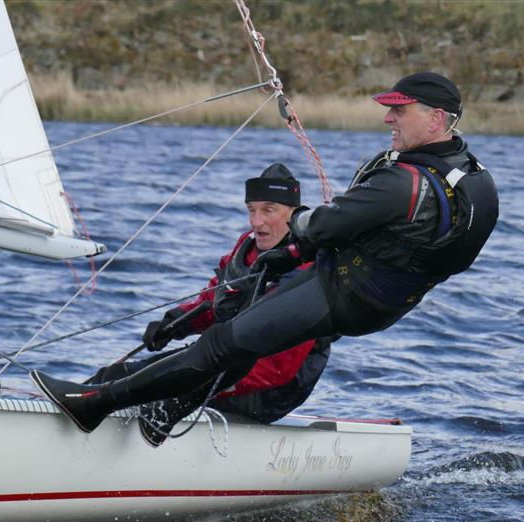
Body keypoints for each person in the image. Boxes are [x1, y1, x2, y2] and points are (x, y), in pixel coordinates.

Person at [31, 71, 499, 435]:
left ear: (436, 118)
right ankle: (164, 409)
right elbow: (443, 255)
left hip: (338, 292)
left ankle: (93, 407)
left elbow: (320, 224)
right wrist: (287, 255)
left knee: (221, 345)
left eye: (400, 110)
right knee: (236, 340)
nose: (387, 119)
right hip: (378, 303)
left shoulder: (402, 184)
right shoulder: (474, 181)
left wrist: (295, 232)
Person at [85, 163, 333, 446]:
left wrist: (190, 382)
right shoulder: (248, 247)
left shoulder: (308, 270)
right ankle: (64, 412)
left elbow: (276, 370)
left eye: (268, 210)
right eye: (251, 209)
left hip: (270, 388)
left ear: (294, 214)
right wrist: (175, 323)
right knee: (117, 375)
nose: (256, 222)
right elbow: (216, 302)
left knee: (148, 387)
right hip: (221, 361)